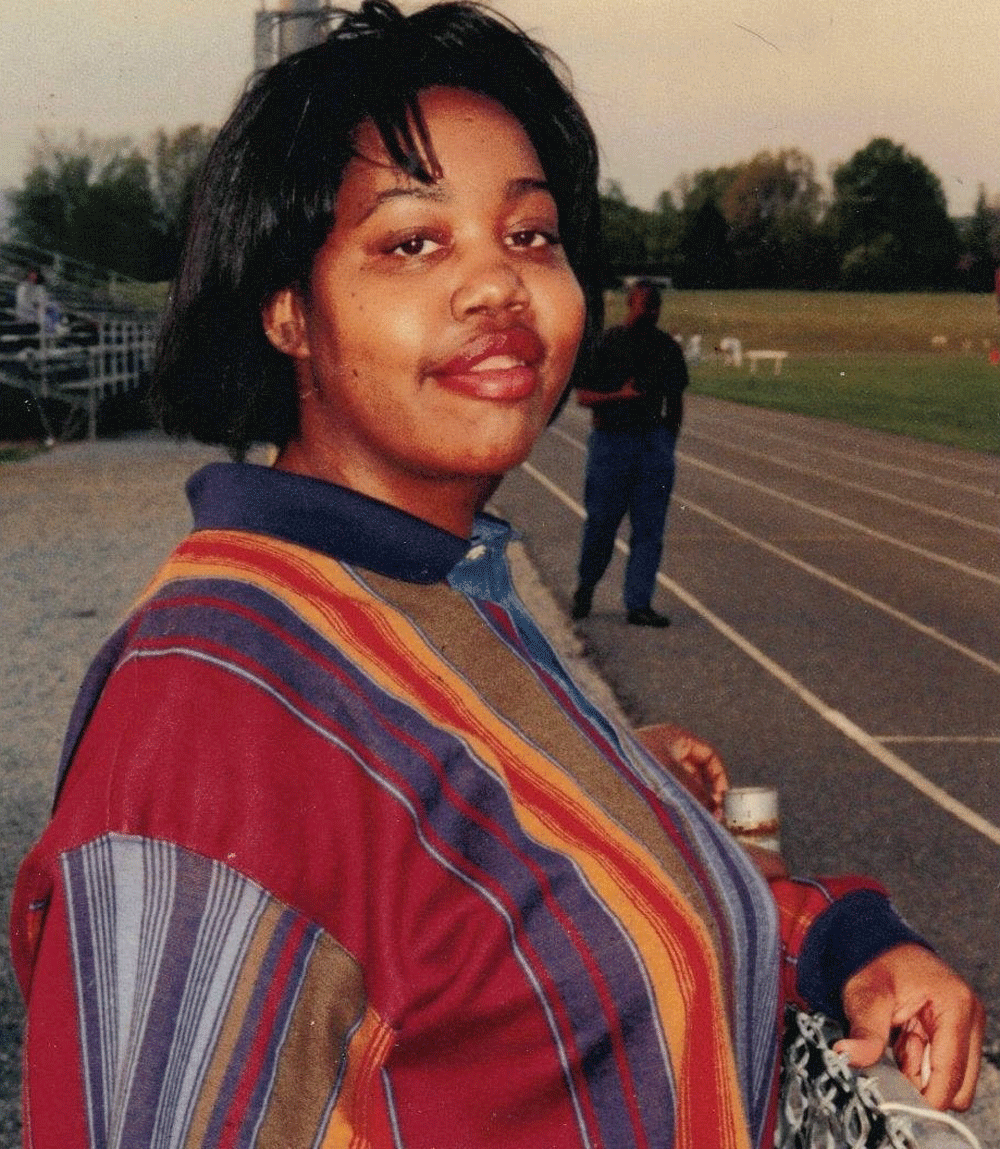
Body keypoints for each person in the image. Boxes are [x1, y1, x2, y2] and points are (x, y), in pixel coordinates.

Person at [11, 4, 983, 1147]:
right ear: (287, 311)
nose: (497, 287)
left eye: (528, 236)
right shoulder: (210, 720)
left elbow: (529, 939)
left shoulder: (437, 586)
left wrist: (835, 941)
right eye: (413, 243)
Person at [571, 279, 688, 627]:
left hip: (653, 445)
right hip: (612, 442)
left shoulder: (667, 348)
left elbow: (676, 401)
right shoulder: (608, 343)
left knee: (650, 529)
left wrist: (668, 439)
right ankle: (587, 586)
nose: (650, 312)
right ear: (630, 304)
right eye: (644, 305)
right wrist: (620, 396)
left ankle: (639, 603)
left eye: (655, 306)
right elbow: (583, 397)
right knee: (602, 524)